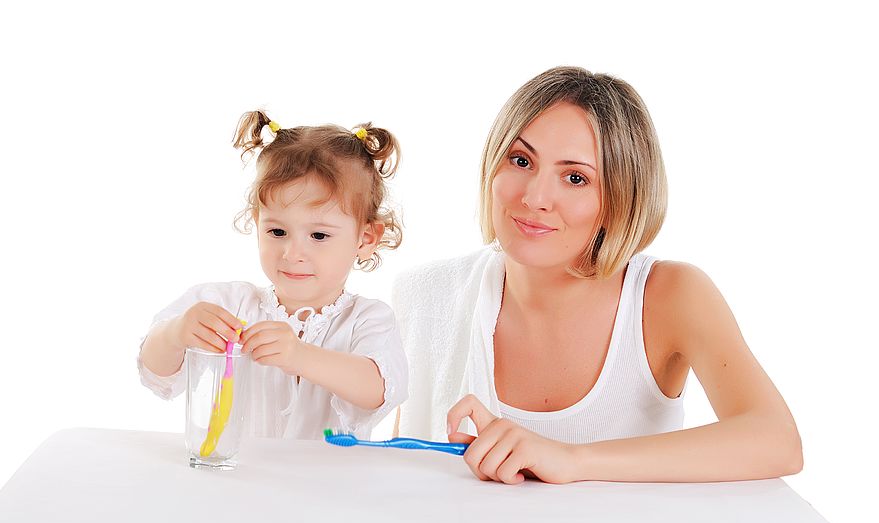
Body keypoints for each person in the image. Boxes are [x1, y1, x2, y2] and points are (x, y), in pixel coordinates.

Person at [393, 66, 802, 484]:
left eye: (575, 178)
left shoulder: (671, 295)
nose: (535, 197)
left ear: (621, 197)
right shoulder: (427, 296)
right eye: (520, 160)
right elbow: (404, 476)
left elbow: (777, 441)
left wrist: (573, 460)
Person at [139, 111, 408, 439]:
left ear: (366, 239)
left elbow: (380, 388)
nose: (292, 253)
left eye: (318, 236)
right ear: (257, 223)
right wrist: (176, 334)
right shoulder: (229, 304)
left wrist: (299, 355)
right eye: (277, 231)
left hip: (330, 488)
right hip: (241, 483)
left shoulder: (367, 318)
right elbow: (154, 369)